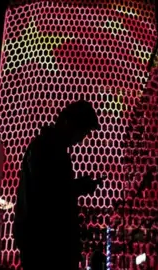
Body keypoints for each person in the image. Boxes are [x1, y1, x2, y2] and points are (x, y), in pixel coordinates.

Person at [14, 100, 105, 270]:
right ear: (67, 122)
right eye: (82, 131)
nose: (81, 139)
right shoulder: (45, 148)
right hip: (46, 247)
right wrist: (78, 187)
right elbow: (47, 195)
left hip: (48, 246)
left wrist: (77, 186)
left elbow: (54, 189)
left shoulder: (50, 148)